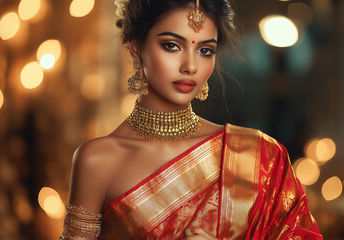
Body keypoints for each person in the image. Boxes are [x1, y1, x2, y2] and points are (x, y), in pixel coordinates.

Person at [60, 0, 323, 239]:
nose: (190, 66)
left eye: (205, 50)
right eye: (172, 46)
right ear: (136, 48)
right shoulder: (97, 160)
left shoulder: (262, 158)